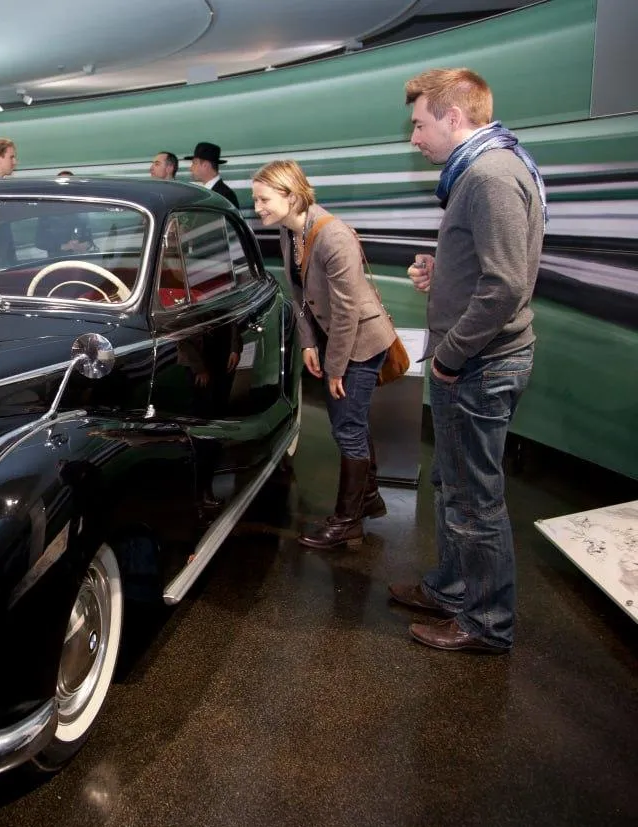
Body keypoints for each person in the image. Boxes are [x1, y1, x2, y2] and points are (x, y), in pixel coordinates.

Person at [389, 68, 545, 654]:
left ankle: (485, 622)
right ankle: (453, 589)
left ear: (454, 118)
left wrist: (449, 358)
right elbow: (493, 270)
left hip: (480, 364)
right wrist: (442, 275)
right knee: (452, 485)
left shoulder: (486, 176)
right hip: (476, 359)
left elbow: (505, 288)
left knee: (475, 499)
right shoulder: (488, 168)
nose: (414, 138)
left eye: (420, 124)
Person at [252, 159, 397, 549]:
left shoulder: (333, 237)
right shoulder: (288, 232)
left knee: (346, 427)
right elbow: (299, 295)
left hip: (361, 344)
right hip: (333, 340)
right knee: (352, 422)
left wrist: (335, 367)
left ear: (290, 194)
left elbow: (348, 310)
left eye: (264, 199)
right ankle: (367, 498)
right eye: (256, 200)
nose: (258, 208)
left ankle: (348, 521)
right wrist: (309, 343)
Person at [185, 142, 240, 208]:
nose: (190, 168)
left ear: (205, 165)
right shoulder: (208, 193)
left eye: (194, 163)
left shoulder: (225, 196)